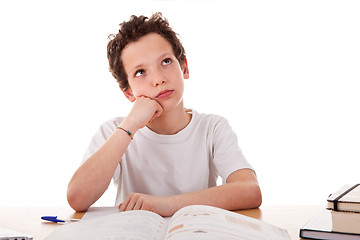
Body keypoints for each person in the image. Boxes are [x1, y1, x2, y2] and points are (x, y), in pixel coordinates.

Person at [67, 12, 262, 216]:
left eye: (166, 62)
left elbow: (250, 191)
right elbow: (77, 198)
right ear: (127, 92)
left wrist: (166, 205)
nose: (158, 79)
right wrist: (130, 125)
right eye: (140, 72)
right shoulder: (114, 130)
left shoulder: (212, 128)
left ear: (184, 67)